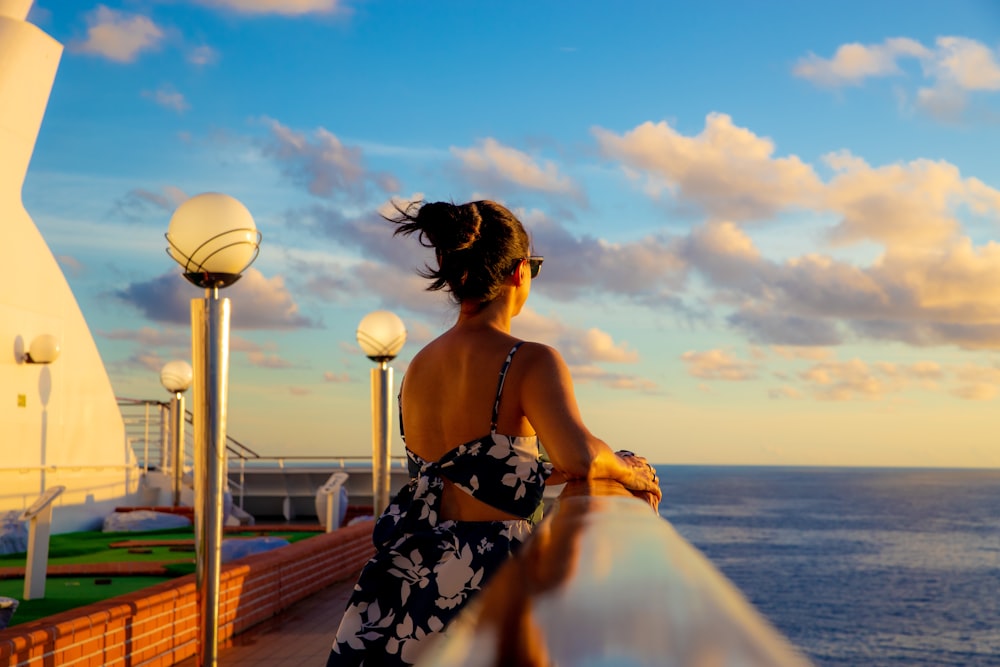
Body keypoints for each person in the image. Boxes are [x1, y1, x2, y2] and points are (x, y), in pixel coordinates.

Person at [327, 199, 662, 666]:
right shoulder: (527, 360)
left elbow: (468, 469)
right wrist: (627, 469)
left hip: (411, 586)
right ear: (519, 272)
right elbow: (582, 455)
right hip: (487, 582)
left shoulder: (417, 368)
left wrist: (543, 473)